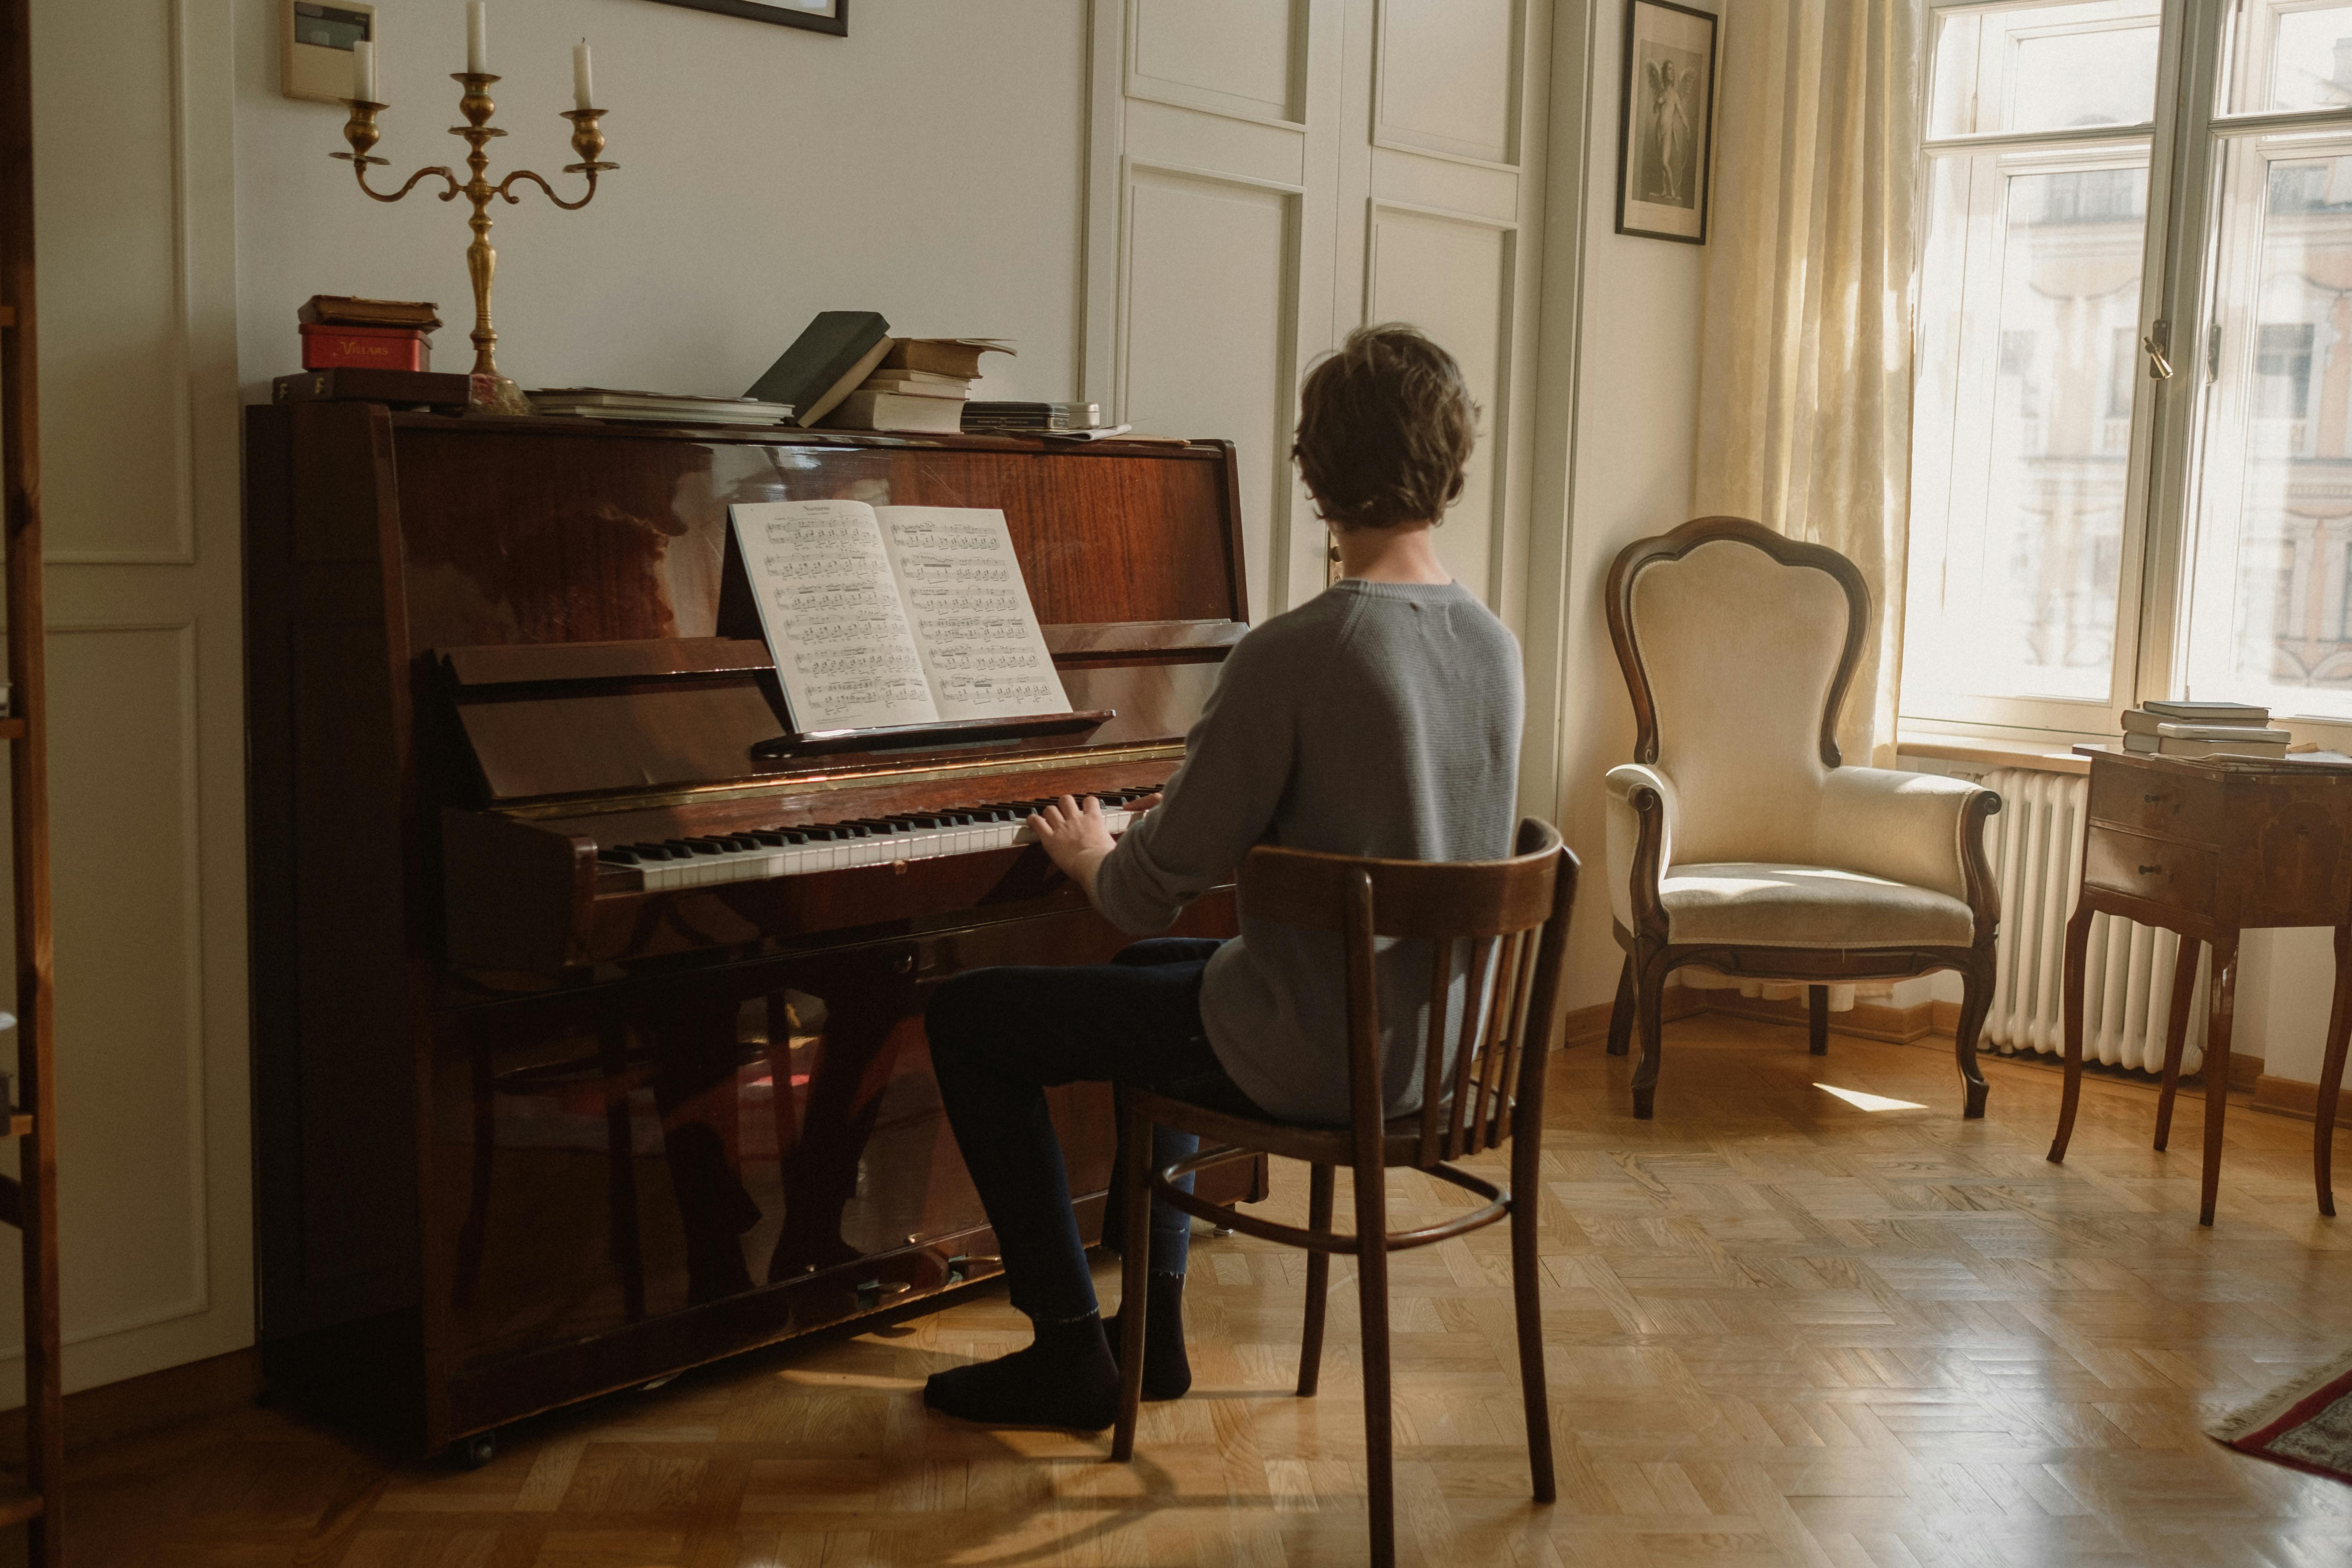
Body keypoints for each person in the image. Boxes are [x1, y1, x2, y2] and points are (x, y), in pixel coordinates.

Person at [919, 322, 1525, 1431]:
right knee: (1163, 974)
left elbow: (1142, 886)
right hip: (1430, 1049)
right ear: (1452, 460)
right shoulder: (1490, 640)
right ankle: (1149, 1339)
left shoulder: (1301, 649)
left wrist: (1089, 847)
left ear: (1313, 466)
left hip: (1319, 1053)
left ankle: (1066, 1347)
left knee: (965, 1017)